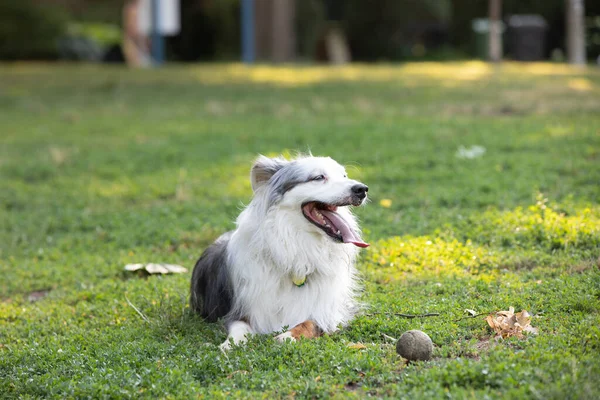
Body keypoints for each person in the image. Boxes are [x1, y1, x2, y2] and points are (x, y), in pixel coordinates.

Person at [122, 0, 151, 67]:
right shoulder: (132, 8)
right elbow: (132, 31)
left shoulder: (142, 9)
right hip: (135, 47)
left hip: (142, 46)